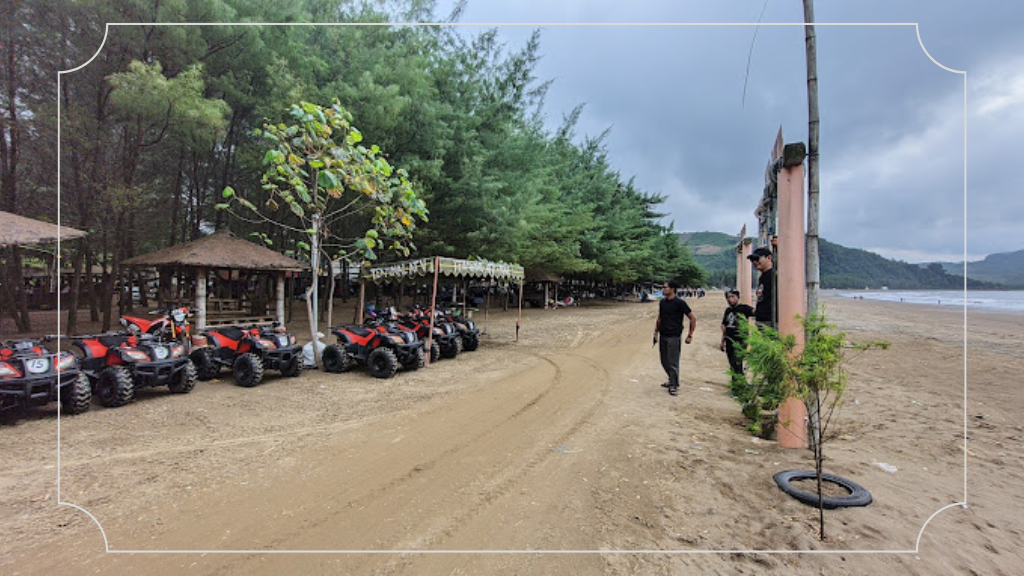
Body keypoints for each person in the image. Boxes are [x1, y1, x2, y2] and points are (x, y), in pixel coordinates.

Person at [653, 279, 696, 396]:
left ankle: (673, 385)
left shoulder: (680, 303)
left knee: (673, 362)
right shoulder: (662, 302)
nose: (663, 289)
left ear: (672, 289)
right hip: (663, 334)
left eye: (665, 287)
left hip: (674, 336)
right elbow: (660, 318)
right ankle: (671, 379)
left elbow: (692, 317)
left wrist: (690, 335)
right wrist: (655, 333)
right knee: (664, 360)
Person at [720, 289, 754, 377]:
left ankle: (740, 385)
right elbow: (724, 327)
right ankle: (736, 384)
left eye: (732, 297)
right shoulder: (728, 311)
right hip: (729, 341)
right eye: (728, 297)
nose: (730, 299)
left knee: (737, 363)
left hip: (740, 341)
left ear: (738, 298)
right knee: (732, 364)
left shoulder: (744, 308)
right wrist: (722, 341)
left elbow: (754, 312)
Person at [747, 246, 775, 329]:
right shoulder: (762, 277)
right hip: (761, 320)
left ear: (769, 258)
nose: (754, 262)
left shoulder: (774, 275)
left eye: (757, 258)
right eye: (752, 260)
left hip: (770, 322)